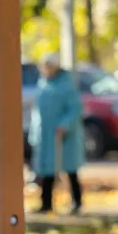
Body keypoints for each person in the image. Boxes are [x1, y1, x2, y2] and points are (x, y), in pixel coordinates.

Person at [29, 53, 86, 214]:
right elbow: (37, 109)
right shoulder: (42, 84)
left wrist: (64, 125)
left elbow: (75, 108)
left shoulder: (66, 85)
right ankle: (46, 203)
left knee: (69, 169)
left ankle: (77, 201)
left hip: (62, 135)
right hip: (46, 134)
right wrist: (35, 131)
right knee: (47, 170)